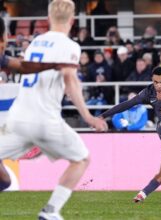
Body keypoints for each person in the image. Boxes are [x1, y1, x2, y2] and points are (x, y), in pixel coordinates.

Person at [0, 1, 108, 220]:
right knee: (82, 160)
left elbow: (23, 67)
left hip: (18, 117)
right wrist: (87, 116)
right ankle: (50, 211)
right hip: (44, 120)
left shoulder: (36, 42)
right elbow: (70, 80)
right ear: (72, 21)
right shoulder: (70, 46)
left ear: (48, 19)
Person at [100, 66, 161, 203]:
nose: (159, 85)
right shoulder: (149, 92)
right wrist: (103, 115)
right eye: (156, 82)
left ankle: (143, 193)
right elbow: (127, 104)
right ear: (152, 81)